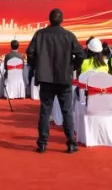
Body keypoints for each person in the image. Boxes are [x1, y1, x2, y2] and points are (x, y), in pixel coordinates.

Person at [26, 8, 84, 154]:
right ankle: (71, 143)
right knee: (67, 111)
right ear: (62, 20)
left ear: (49, 19)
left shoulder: (40, 34)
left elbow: (30, 53)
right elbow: (81, 55)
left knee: (45, 111)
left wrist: (37, 67)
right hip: (64, 78)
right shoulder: (68, 36)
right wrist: (72, 67)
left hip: (46, 79)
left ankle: (42, 143)